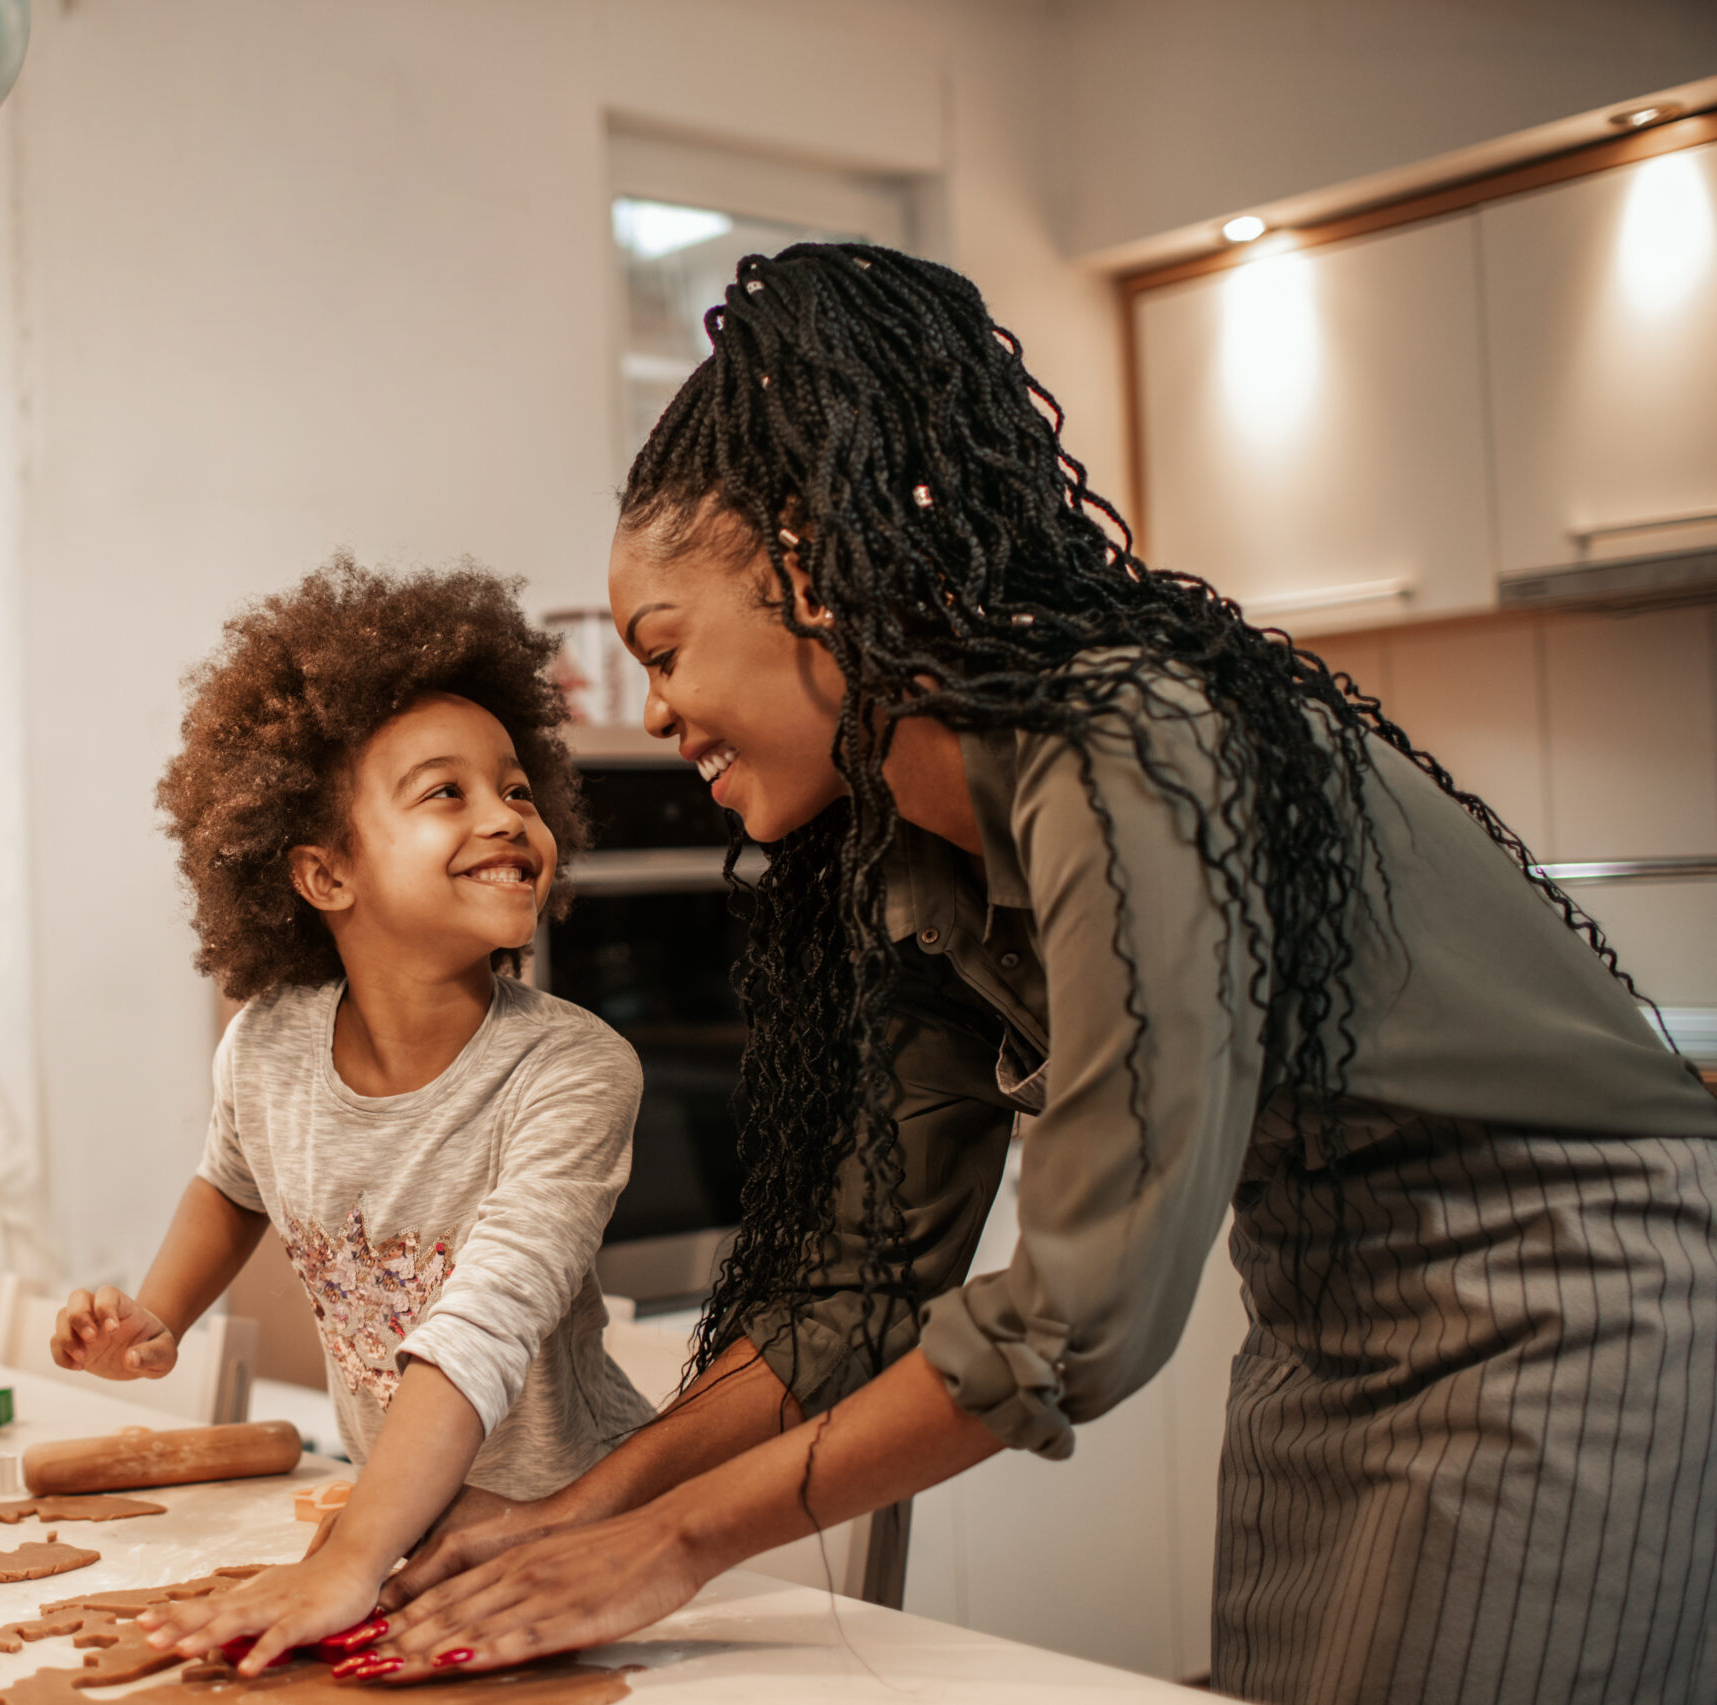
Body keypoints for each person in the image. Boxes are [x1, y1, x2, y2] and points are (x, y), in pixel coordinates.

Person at [359, 245, 1717, 1705]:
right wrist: (582, 1512)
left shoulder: (1125, 742)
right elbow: (868, 1278)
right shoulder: (913, 850)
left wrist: (673, 1542)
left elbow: (1081, 1318)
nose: (660, 710)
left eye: (666, 647)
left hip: (1568, 1289)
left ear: (807, 564)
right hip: (1326, 1316)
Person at [49, 558, 656, 1679]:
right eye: (446, 793)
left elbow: (482, 1325)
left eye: (517, 789)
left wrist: (355, 1553)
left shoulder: (572, 1069)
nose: (505, 816)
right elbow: (230, 1183)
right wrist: (158, 1317)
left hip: (565, 1531)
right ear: (325, 873)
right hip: (406, 1525)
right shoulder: (268, 1044)